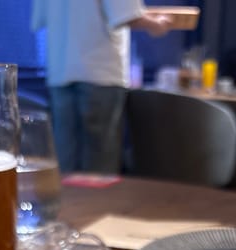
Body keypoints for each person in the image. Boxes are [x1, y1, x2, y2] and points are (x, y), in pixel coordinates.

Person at [31, 0, 172, 174]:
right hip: (100, 73)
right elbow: (123, 13)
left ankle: (68, 201)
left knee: (66, 164)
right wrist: (156, 24)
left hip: (60, 72)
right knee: (99, 168)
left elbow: (40, 19)